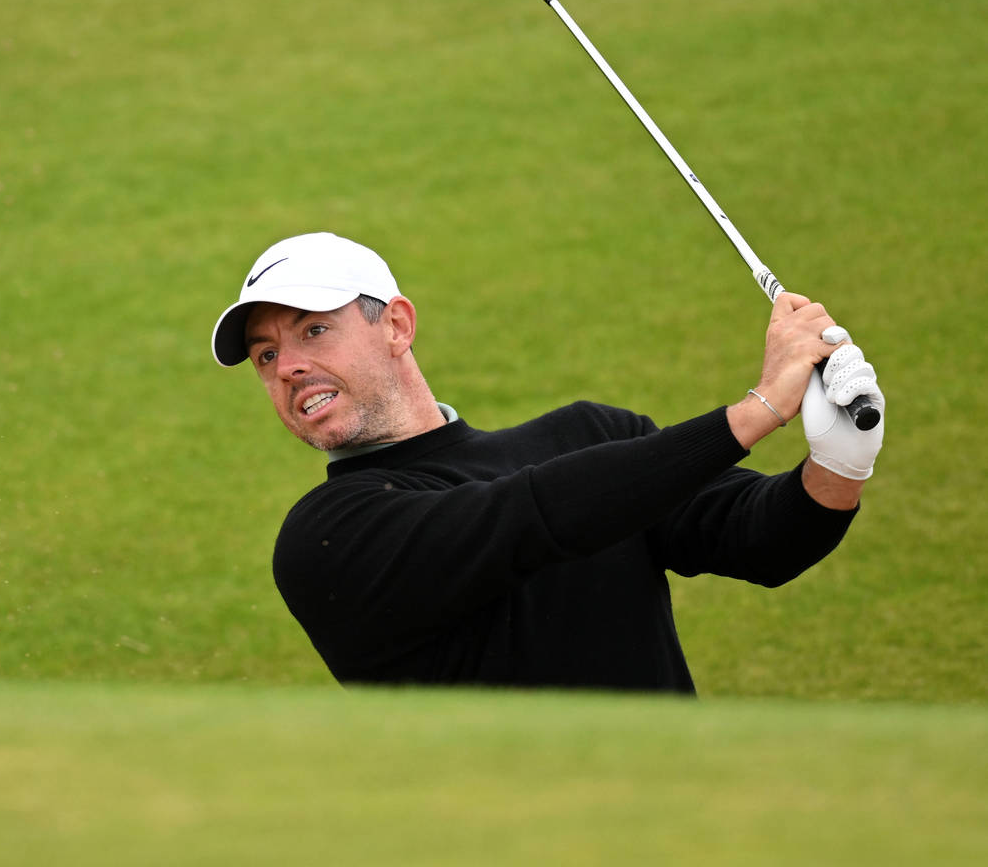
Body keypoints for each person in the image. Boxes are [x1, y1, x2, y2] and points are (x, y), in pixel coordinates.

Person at [210, 232, 885, 692]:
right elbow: (530, 518)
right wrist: (760, 408)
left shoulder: (591, 437)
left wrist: (840, 459)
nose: (288, 366)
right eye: (266, 355)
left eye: (314, 330)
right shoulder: (329, 535)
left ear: (396, 325)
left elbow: (764, 542)